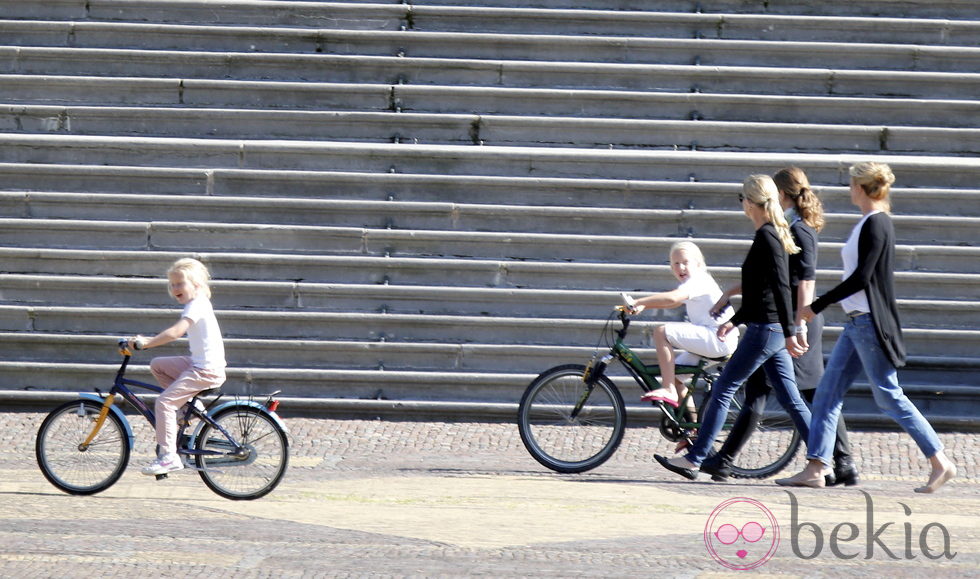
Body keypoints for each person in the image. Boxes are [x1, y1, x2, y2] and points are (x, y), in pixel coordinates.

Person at [776, 162, 957, 493]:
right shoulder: (869, 223)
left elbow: (862, 277)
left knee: (888, 395)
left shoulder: (876, 223)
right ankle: (817, 467)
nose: (849, 189)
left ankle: (939, 460)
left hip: (869, 324)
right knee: (828, 394)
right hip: (857, 323)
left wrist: (814, 306)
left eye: (851, 184)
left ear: (860, 188)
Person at [701, 168, 857, 485]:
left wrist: (797, 324)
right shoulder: (790, 227)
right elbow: (773, 282)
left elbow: (802, 282)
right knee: (767, 392)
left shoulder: (799, 231)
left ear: (782, 194)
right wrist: (733, 291)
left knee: (809, 395)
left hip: (796, 322)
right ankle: (722, 460)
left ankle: (838, 460)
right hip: (787, 321)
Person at [654, 175, 811, 481]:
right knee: (791, 398)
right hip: (770, 328)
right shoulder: (770, 234)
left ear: (750, 203)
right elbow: (760, 292)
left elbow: (779, 288)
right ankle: (824, 460)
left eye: (742, 199)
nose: (742, 205)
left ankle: (696, 458)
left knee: (724, 389)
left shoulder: (767, 236)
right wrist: (735, 321)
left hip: (767, 330)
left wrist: (791, 332)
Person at [128, 258, 226, 476]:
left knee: (164, 402)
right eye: (172, 285)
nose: (175, 289)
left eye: (180, 283)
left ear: (197, 285)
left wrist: (146, 343)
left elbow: (176, 332)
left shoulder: (197, 304)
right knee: (158, 365)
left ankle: (168, 457)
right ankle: (190, 407)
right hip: (200, 364)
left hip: (206, 370)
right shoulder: (197, 303)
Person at [624, 241, 738, 416]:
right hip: (718, 339)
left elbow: (672, 299)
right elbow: (674, 302)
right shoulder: (695, 282)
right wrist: (644, 307)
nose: (681, 267)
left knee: (661, 332)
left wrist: (639, 301)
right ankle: (691, 433)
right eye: (676, 263)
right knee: (678, 378)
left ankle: (667, 389)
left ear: (698, 264)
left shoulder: (698, 280)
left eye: (686, 262)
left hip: (717, 338)